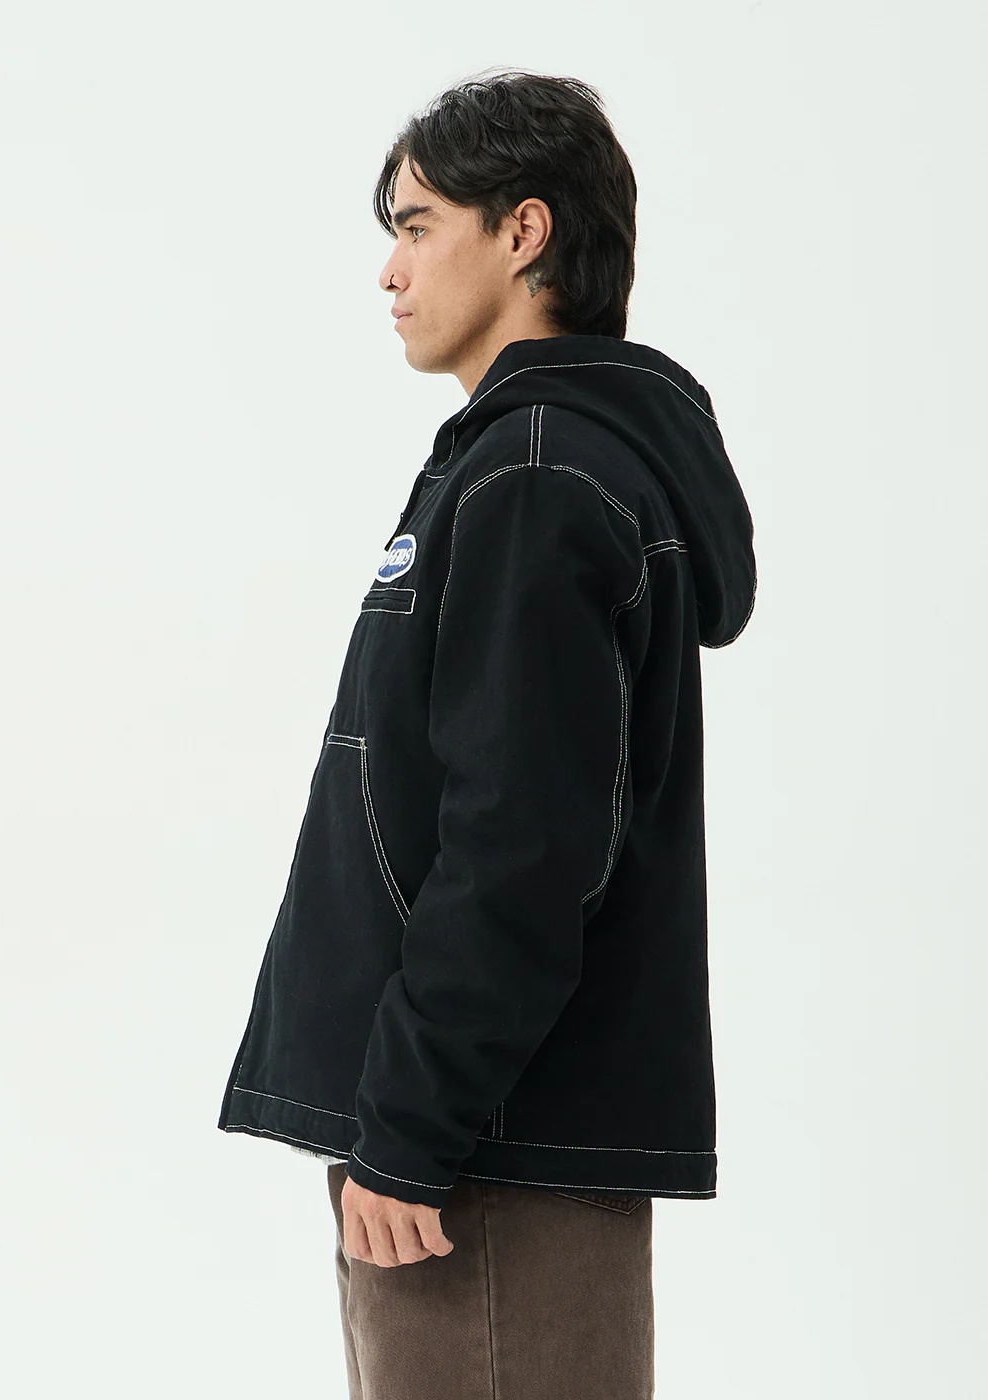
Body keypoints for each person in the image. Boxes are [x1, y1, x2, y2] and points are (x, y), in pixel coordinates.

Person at [217, 67, 756, 1400]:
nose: (390, 270)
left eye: (416, 226)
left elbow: (523, 841)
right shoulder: (528, 460)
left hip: (481, 1154)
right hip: (481, 1131)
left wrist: (409, 1122)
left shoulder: (536, 474)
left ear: (524, 233)